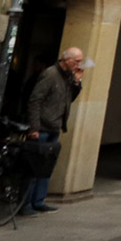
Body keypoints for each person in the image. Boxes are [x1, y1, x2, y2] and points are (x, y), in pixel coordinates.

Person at [21, 46, 86, 215]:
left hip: (54, 126)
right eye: (77, 61)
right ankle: (26, 203)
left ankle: (39, 200)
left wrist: (77, 82)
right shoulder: (50, 74)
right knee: (33, 167)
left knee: (45, 167)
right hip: (42, 126)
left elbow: (68, 99)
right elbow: (35, 100)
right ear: (67, 60)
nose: (79, 64)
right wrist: (33, 127)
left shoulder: (67, 77)